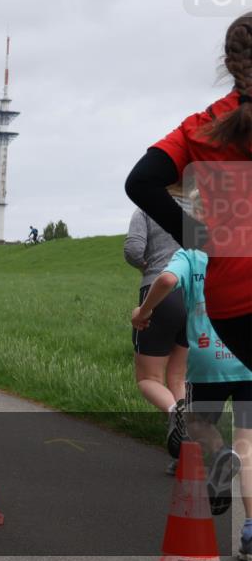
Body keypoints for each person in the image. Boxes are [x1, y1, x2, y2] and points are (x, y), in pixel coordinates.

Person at [126, 11, 252, 370]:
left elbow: (140, 182)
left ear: (228, 63)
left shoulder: (198, 128)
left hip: (231, 302)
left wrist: (197, 238)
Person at [132, 246, 251, 560]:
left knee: (198, 423)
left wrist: (143, 312)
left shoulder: (190, 254)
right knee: (249, 445)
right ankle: (251, 531)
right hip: (246, 355)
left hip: (207, 358)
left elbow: (167, 281)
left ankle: (219, 451)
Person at [123, 198, 188, 469]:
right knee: (178, 376)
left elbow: (133, 250)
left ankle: (177, 413)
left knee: (148, 378)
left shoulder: (147, 208)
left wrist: (146, 265)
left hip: (159, 290)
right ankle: (186, 455)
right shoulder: (197, 207)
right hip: (195, 295)